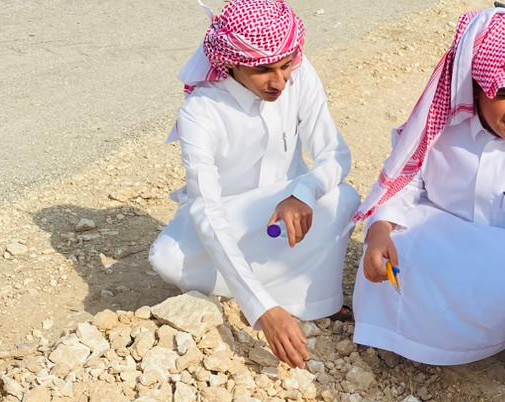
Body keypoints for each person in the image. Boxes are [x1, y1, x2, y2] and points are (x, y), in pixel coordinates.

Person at [352, 8, 505, 366]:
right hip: (444, 233)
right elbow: (405, 182)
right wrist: (379, 230)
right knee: (394, 248)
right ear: (475, 89)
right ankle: (407, 336)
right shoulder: (440, 126)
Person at [150, 0, 360, 368]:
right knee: (167, 259)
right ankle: (266, 292)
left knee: (344, 198)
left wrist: (303, 192)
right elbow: (207, 210)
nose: (279, 82)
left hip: (290, 217)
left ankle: (302, 299)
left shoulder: (300, 73)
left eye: (285, 65)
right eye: (263, 70)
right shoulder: (202, 110)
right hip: (234, 220)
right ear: (231, 63)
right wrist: (261, 309)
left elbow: (335, 155)